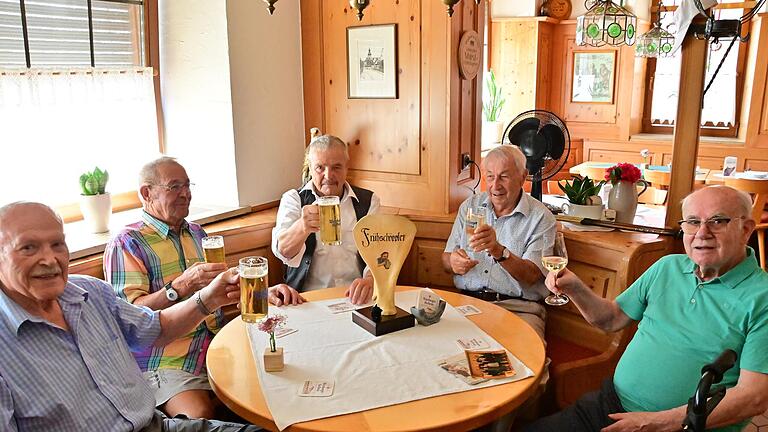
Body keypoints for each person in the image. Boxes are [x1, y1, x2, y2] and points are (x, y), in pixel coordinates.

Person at [0, 201, 265, 431]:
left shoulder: (90, 292)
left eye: (57, 244)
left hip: (156, 425)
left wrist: (210, 297)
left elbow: (156, 330)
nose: (50, 259)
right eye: (28, 248)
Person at [526, 186, 768, 432]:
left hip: (683, 426)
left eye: (717, 221)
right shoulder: (667, 267)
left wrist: (655, 423)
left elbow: (754, 398)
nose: (702, 233)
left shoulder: (762, 297)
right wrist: (574, 287)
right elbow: (610, 319)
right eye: (693, 222)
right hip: (612, 405)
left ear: (746, 229)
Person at [104, 157, 303, 419]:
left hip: (220, 345)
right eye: (174, 187)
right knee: (199, 417)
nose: (185, 193)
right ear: (146, 193)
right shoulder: (127, 242)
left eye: (187, 185)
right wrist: (180, 286)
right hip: (167, 359)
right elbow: (129, 317)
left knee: (288, 387)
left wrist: (263, 293)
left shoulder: (198, 234)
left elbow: (224, 291)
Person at [442, 145, 556, 341]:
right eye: (490, 176)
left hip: (519, 309)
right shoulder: (470, 206)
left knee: (522, 361)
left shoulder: (540, 218)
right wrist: (453, 262)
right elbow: (445, 259)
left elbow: (531, 276)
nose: (495, 185)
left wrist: (498, 250)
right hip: (466, 303)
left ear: (522, 177)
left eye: (504, 176)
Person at [272, 134, 381, 304]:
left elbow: (379, 252)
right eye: (320, 168)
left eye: (336, 167)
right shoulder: (294, 199)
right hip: (306, 299)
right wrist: (302, 226)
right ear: (310, 168)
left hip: (355, 299)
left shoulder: (368, 201)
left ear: (347, 168)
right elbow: (283, 251)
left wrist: (370, 279)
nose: (328, 175)